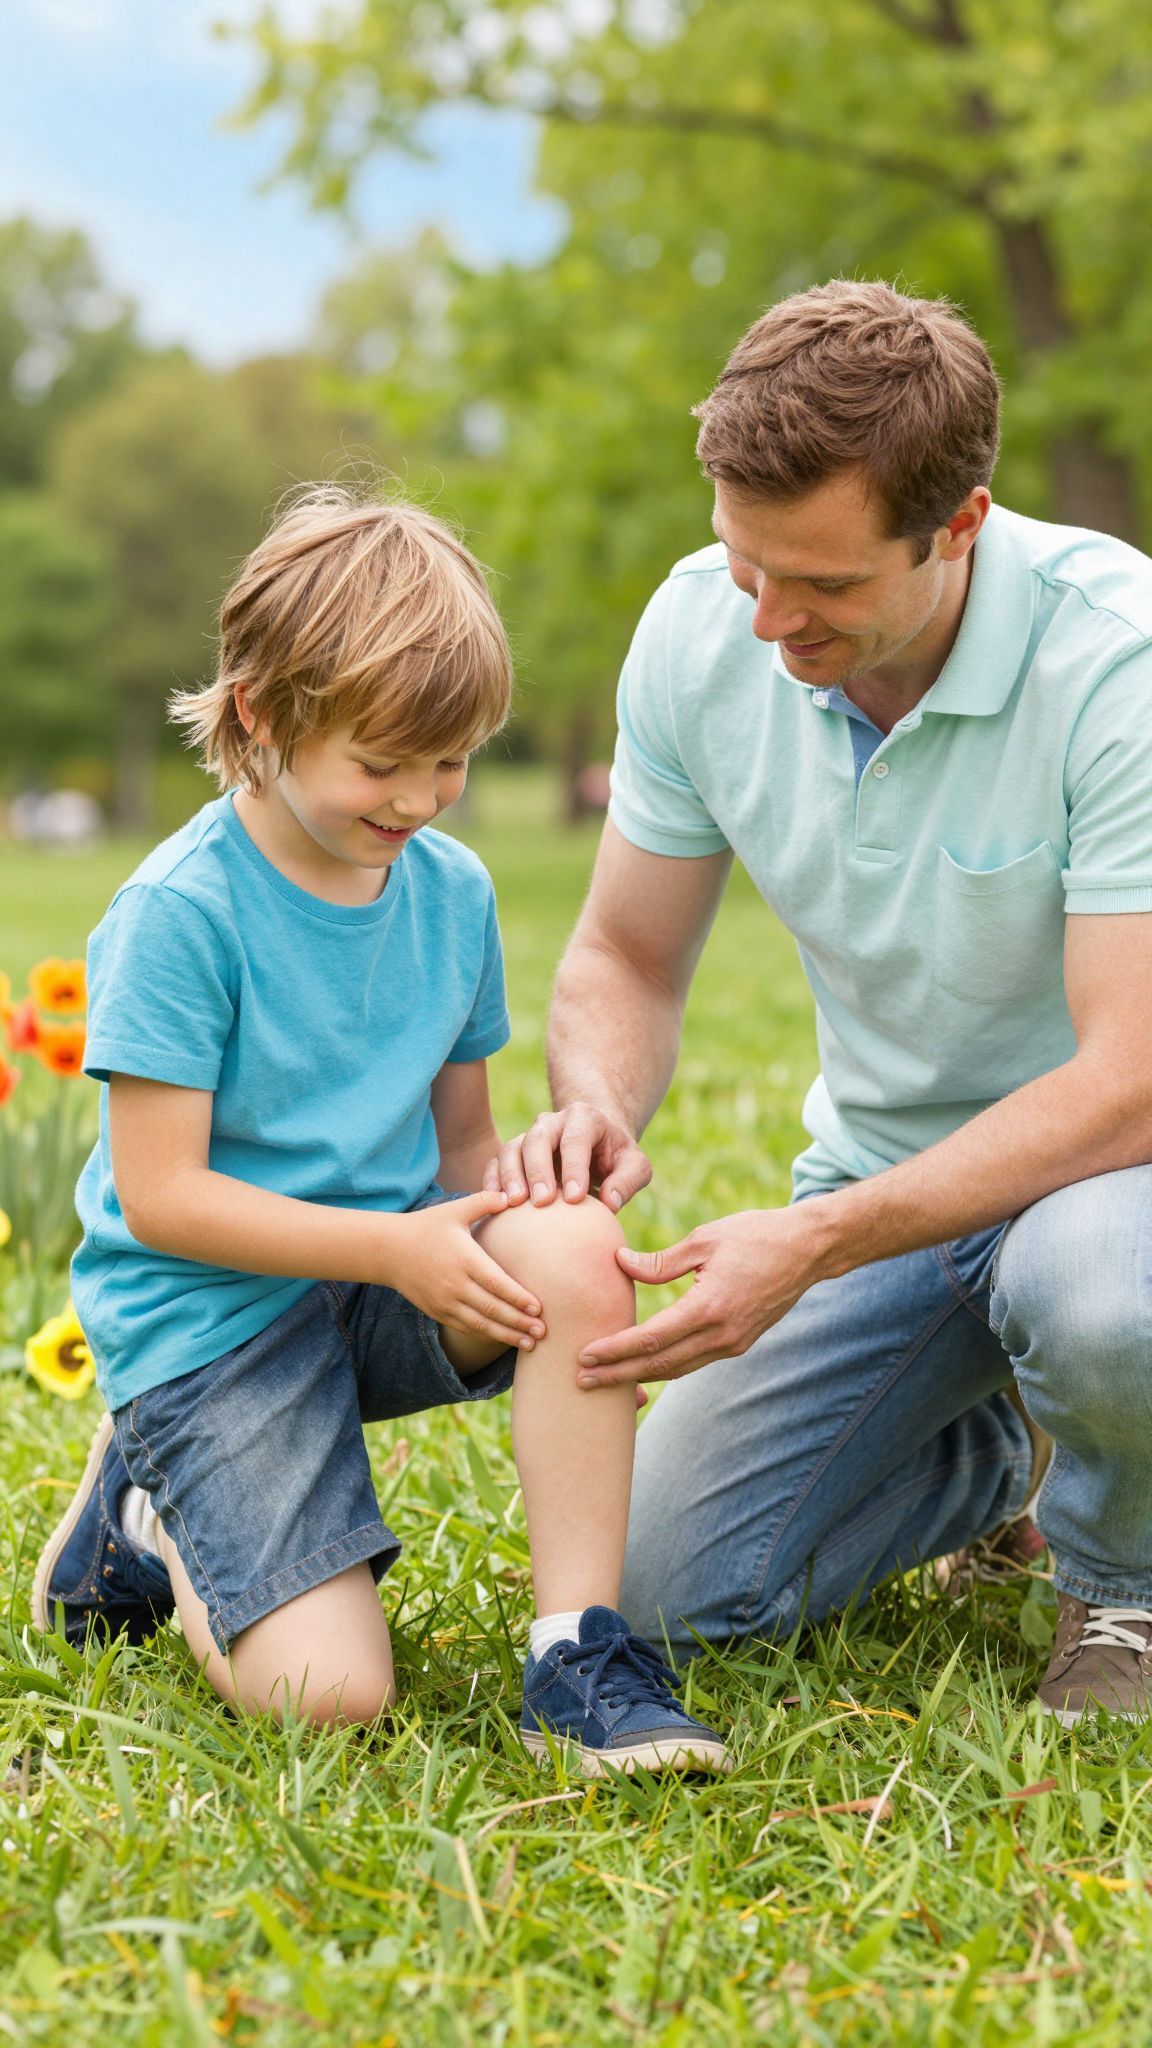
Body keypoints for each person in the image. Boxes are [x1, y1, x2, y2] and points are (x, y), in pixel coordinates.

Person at [487, 280, 1152, 1727]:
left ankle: (1123, 1581)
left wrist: (813, 1242)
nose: (772, 619)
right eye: (749, 564)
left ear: (958, 524)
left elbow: (1130, 1085)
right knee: (661, 1587)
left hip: (1104, 1191)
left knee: (1106, 1302)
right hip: (883, 1193)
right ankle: (1000, 1454)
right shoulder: (698, 632)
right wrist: (597, 1105)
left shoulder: (1119, 661)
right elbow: (625, 956)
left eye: (827, 587)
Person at [31, 485, 727, 1777]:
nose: (420, 798)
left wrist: (546, 1200)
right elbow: (163, 1199)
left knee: (572, 1240)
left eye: (451, 761)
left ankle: (578, 1651)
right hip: (212, 1326)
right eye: (382, 762)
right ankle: (142, 1512)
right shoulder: (180, 912)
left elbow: (464, 1150)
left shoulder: (450, 894)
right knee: (332, 1697)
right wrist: (390, 1249)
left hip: (380, 1276)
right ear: (261, 715)